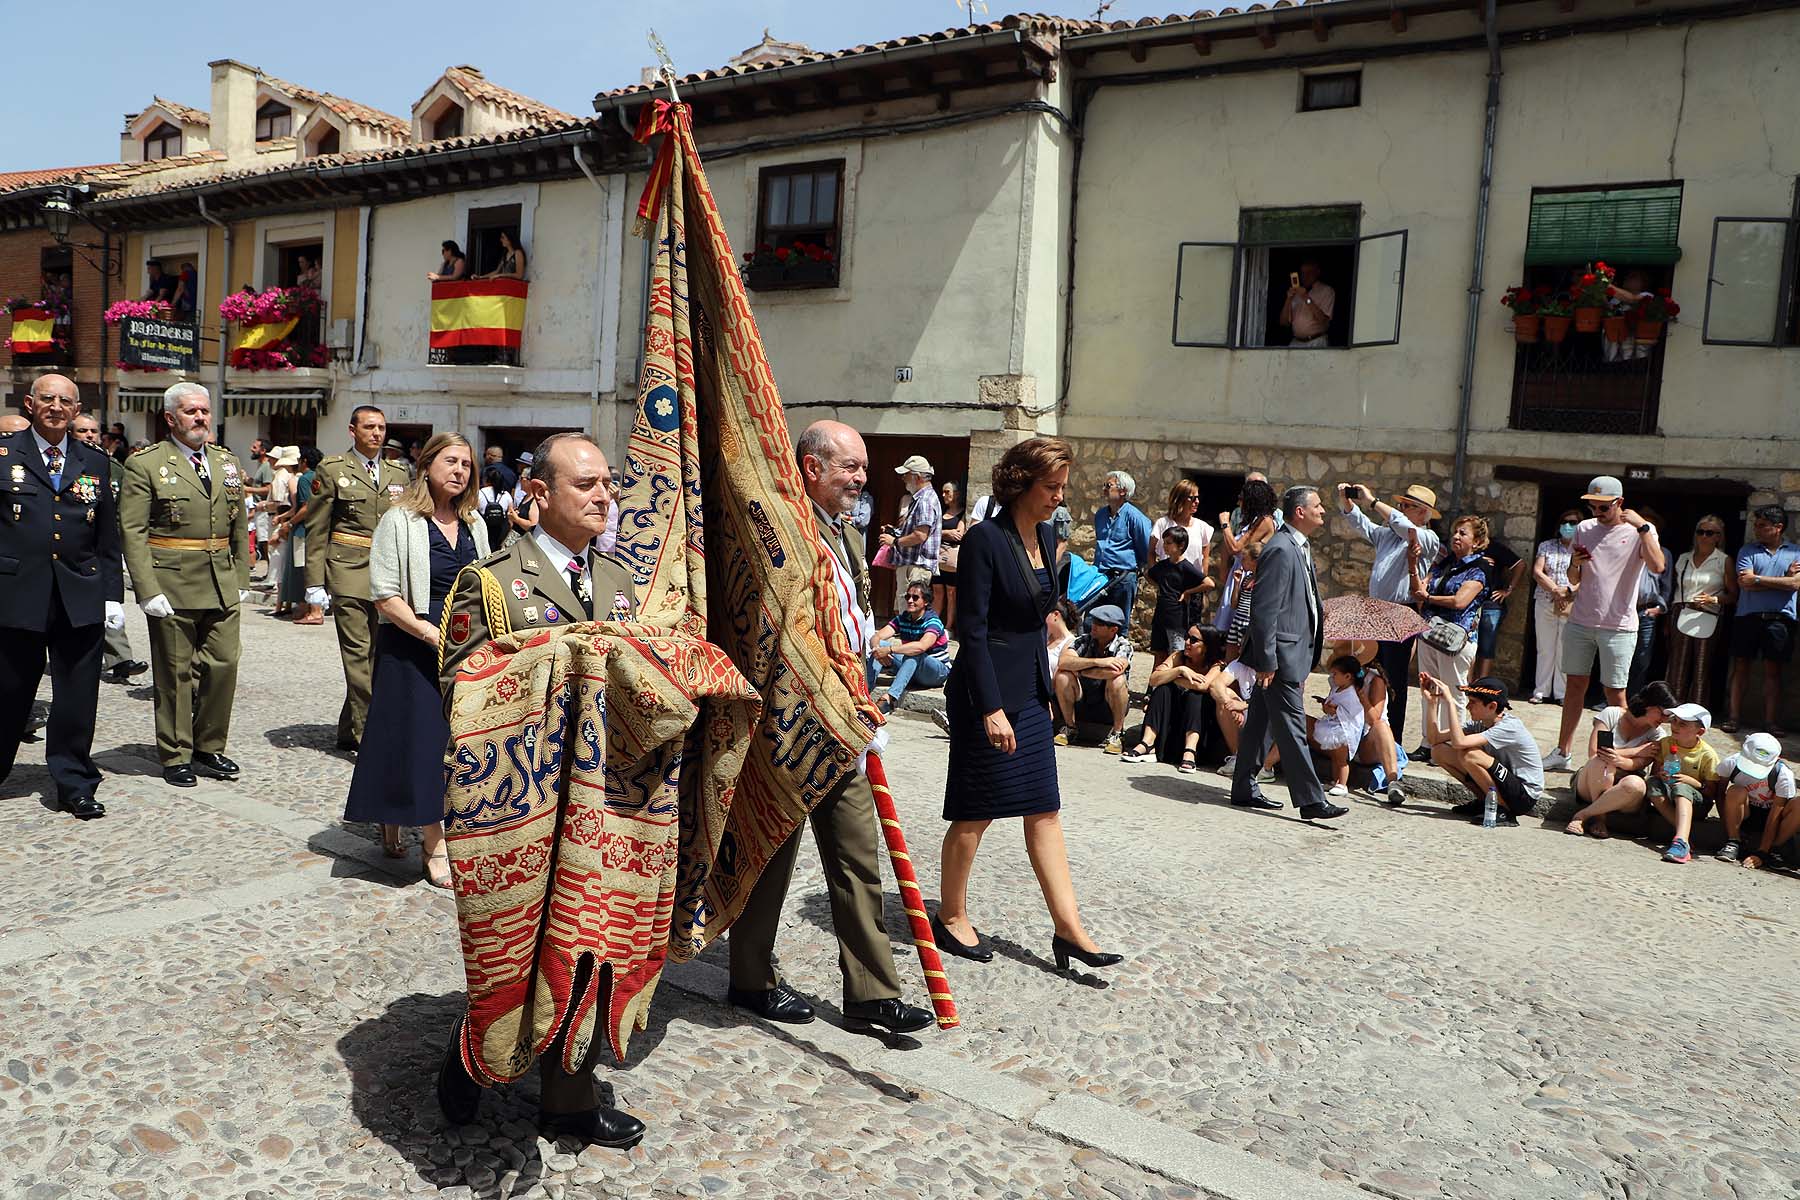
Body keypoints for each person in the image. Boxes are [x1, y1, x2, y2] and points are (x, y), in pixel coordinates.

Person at [432, 431, 642, 1148]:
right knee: (518, 948)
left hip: (602, 808)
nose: (603, 496)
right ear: (539, 493)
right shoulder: (491, 583)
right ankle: (473, 1054)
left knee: (586, 945)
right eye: (586, 484)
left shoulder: (620, 583)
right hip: (524, 808)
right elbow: (458, 689)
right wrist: (558, 664)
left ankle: (569, 1101)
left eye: (607, 483)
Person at [723, 421, 933, 1034]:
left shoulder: (840, 530)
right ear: (812, 468)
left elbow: (842, 610)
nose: (862, 479)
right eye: (851, 467)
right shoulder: (785, 529)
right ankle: (750, 978)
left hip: (845, 717)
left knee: (856, 854)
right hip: (793, 721)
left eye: (864, 468)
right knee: (771, 851)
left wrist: (874, 643)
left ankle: (871, 992)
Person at [935, 435, 1121, 975]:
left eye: (1062, 487)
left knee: (1044, 810)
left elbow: (1041, 620)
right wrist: (990, 708)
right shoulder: (983, 542)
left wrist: (1069, 662)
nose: (1060, 498)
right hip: (985, 693)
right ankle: (951, 914)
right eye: (1052, 487)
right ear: (1021, 483)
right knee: (977, 811)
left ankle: (1070, 929)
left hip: (1032, 693)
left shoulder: (1044, 535)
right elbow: (971, 632)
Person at [345, 434, 488, 887]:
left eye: (467, 463)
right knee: (423, 745)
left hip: (463, 650)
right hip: (412, 642)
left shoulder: (475, 523)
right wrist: (429, 632)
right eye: (451, 461)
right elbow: (384, 594)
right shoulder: (399, 520)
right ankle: (435, 843)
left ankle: (397, 818)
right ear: (426, 465)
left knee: (456, 744)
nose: (460, 470)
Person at [0, 375, 123, 820]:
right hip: (16, 593)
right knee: (9, 689)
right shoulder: (5, 453)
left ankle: (74, 781)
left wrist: (113, 597)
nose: (55, 406)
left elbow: (108, 536)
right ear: (30, 404)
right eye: (47, 399)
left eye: (65, 401)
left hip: (79, 592)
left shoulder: (95, 460)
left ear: (76, 410)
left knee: (77, 695)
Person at [118, 381, 250, 789]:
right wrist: (146, 589)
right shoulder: (146, 464)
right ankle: (176, 752)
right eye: (192, 412)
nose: (201, 419)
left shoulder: (226, 462)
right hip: (172, 581)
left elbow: (239, 524)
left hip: (220, 580)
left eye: (205, 412)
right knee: (175, 673)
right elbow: (132, 530)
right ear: (171, 418)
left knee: (223, 665)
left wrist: (242, 575)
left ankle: (209, 745)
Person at [1229, 485, 1347, 821]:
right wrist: (1267, 659)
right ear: (1300, 512)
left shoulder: (1298, 546)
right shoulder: (1281, 548)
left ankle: (1243, 787)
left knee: (1258, 723)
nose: (1323, 510)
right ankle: (1311, 800)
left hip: (1289, 651)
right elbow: (1265, 609)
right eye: (1318, 506)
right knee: (1293, 725)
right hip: (1280, 656)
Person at [304, 405, 412, 752]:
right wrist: (314, 581)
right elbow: (317, 527)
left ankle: (348, 730)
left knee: (379, 655)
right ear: (353, 430)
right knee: (357, 654)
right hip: (348, 569)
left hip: (389, 573)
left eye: (381, 427)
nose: (377, 433)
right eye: (369, 427)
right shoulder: (334, 469)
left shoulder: (398, 472)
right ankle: (371, 739)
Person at [1548, 477, 1665, 772]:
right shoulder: (1584, 529)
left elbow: (1658, 566)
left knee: (1615, 693)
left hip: (1619, 624)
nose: (1596, 512)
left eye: (1602, 507)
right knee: (1574, 686)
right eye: (1592, 506)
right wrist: (1575, 563)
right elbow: (1575, 578)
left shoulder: (1639, 532)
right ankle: (1562, 751)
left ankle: (1621, 756)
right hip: (1581, 620)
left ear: (1619, 503)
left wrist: (1644, 527)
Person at [1338, 481, 1442, 738]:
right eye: (1400, 505)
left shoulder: (1428, 538)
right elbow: (1362, 525)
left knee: (1394, 676)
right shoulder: (1389, 534)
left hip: (1401, 610)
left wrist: (1372, 501)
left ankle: (1392, 735)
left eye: (1406, 506)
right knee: (1372, 669)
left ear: (1422, 512)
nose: (1399, 509)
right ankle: (1372, 725)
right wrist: (1347, 502)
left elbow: (1405, 528)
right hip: (1378, 610)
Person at [71, 413, 149, 684]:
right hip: (75, 547)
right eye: (83, 430)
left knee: (109, 605)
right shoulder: (64, 465)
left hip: (105, 544)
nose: (90, 435)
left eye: (94, 430)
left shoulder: (112, 466)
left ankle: (121, 659)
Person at [1409, 515, 1488, 757]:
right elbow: (1420, 588)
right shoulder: (1444, 564)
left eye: (1463, 533)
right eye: (1455, 532)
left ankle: (1449, 745)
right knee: (1429, 690)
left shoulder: (1480, 569)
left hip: (1455, 640)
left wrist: (1429, 598)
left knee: (1453, 694)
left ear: (1476, 541)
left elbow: (1460, 601)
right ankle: (1427, 743)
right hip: (1430, 634)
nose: (1456, 536)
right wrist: (1412, 564)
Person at [1423, 675, 1545, 826]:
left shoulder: (1509, 727)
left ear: (1492, 707)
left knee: (1470, 754)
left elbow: (1459, 742)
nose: (1468, 707)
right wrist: (1432, 703)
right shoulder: (1480, 723)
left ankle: (1502, 810)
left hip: (1524, 795)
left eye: (1473, 703)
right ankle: (1485, 801)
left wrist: (1450, 702)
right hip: (1505, 785)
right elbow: (1434, 739)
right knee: (1438, 751)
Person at [1725, 505, 1800, 735]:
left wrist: (1757, 579)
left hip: (1781, 619)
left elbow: (1795, 584)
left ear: (1778, 528)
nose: (1756, 530)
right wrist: (1781, 580)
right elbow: (1744, 583)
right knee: (1741, 666)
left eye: (1762, 526)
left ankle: (1770, 722)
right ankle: (1733, 717)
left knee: (1773, 671)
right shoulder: (1748, 550)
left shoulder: (1796, 552)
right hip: (1748, 616)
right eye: (1756, 525)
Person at [1563, 681, 1674, 837]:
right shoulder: (1612, 714)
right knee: (1602, 762)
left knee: (1637, 785)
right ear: (1649, 705)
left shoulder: (1657, 734)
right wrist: (1635, 751)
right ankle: (1599, 819)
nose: (1664, 719)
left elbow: (1639, 763)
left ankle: (1584, 815)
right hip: (1593, 778)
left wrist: (1618, 759)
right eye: (1663, 713)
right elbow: (1594, 753)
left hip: (1624, 788)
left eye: (1668, 716)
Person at [1122, 626, 1224, 773]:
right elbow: (1154, 679)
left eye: (1193, 640)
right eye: (1187, 637)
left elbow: (1203, 686)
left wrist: (1173, 678)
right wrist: (1179, 670)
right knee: (1162, 690)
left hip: (1199, 724)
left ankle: (1190, 751)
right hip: (1173, 720)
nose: (1187, 642)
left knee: (1196, 697)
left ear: (1207, 646)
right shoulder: (1179, 657)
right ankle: (1147, 743)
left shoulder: (1217, 664)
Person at [1666, 514, 1736, 707]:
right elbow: (1675, 588)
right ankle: (1673, 708)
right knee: (1677, 665)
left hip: (1708, 614)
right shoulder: (1684, 558)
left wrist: (1714, 599)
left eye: (1710, 533)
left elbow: (1733, 595)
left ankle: (1695, 711)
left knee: (1701, 667)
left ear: (1718, 537)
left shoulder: (1723, 560)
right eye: (1700, 532)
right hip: (1681, 611)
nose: (1704, 536)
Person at [1645, 703, 1721, 865]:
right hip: (1670, 796)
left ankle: (1680, 841)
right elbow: (1655, 773)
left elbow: (1710, 793)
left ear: (1699, 732)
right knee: (1651, 783)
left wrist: (1693, 783)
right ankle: (1685, 835)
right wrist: (1661, 775)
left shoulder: (1708, 755)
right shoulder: (1666, 743)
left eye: (1683, 724)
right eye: (1674, 721)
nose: (1675, 726)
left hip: (1696, 804)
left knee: (1681, 786)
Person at [1052, 604, 1133, 753]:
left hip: (1108, 705)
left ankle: (1117, 734)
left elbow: (1114, 672)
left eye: (1100, 624)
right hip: (1082, 699)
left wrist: (1080, 670)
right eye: (1094, 621)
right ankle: (1070, 727)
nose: (1093, 626)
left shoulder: (1123, 646)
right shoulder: (1083, 640)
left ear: (1113, 629)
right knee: (1063, 675)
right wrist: (1098, 662)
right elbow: (1063, 662)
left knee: (1118, 680)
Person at [1715, 733, 1799, 867]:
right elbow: (1719, 795)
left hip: (1771, 817)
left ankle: (1774, 848)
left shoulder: (1783, 775)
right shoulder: (1730, 763)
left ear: (1778, 759)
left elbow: (1775, 816)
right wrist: (1726, 824)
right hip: (1745, 813)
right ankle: (1733, 840)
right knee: (1735, 791)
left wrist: (1762, 852)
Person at [871, 581, 951, 715]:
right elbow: (877, 636)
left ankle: (890, 699)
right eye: (907, 597)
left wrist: (890, 650)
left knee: (913, 652)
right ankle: (865, 689)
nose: (910, 600)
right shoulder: (903, 618)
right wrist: (877, 650)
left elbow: (921, 646)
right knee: (880, 646)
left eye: (915, 598)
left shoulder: (933, 621)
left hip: (936, 672)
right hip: (912, 667)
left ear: (925, 601)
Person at [1529, 510, 1582, 704]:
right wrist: (1555, 591)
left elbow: (1587, 576)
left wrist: (1567, 591)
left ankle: (1562, 693)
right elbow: (1537, 571)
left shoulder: (1582, 549)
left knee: (1564, 648)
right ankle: (1541, 690)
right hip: (1546, 599)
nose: (1568, 526)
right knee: (1545, 647)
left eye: (1573, 522)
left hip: (1571, 603)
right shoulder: (1547, 545)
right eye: (1565, 522)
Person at [1214, 476, 1278, 636]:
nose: (1239, 503)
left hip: (1248, 579)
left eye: (1242, 499)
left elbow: (1236, 548)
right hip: (1237, 575)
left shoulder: (1265, 521)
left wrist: (1225, 524)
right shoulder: (1253, 521)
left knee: (1236, 629)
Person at [1092, 469, 1152, 629]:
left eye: (1108, 485)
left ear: (1123, 491)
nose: (1104, 489)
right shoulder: (1100, 515)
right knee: (1091, 622)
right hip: (1099, 576)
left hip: (1122, 579)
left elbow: (1146, 549)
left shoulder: (1135, 517)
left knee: (1117, 625)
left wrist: (1133, 570)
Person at [880, 454, 940, 614]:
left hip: (916, 565)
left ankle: (913, 638)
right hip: (913, 564)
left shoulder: (925, 500)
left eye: (906, 475)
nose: (903, 479)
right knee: (908, 610)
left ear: (917, 477)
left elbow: (920, 535)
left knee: (912, 611)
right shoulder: (922, 498)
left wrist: (894, 541)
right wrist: (896, 531)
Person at [1150, 478, 1214, 627]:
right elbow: (1151, 553)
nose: (1196, 502)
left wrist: (1201, 591)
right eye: (1192, 498)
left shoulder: (1202, 528)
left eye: (1198, 498)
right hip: (1170, 588)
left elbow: (1205, 558)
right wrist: (1157, 581)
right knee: (1164, 634)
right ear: (1180, 499)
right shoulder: (1163, 524)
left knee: (1189, 633)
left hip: (1193, 589)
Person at [1307, 654, 1370, 798]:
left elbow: (1354, 714)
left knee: (1341, 760)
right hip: (1333, 726)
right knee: (1335, 758)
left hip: (1344, 730)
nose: (1332, 677)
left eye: (1335, 674)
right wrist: (1326, 705)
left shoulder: (1352, 694)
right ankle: (1335, 781)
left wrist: (1335, 710)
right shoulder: (1337, 689)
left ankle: (1342, 783)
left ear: (1348, 676)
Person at [1144, 526, 1211, 657]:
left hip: (1176, 618)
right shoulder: (1162, 565)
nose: (1165, 546)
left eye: (1169, 543)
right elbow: (1148, 574)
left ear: (1181, 545)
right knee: (1159, 654)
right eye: (1164, 543)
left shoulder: (1186, 566)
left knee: (1176, 654)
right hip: (1160, 616)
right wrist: (1160, 586)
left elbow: (1208, 583)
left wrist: (1187, 592)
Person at [1626, 511, 1673, 698]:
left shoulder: (1664, 553)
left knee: (1641, 659)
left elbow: (1666, 585)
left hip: (1646, 612)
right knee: (1617, 657)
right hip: (1623, 610)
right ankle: (1609, 699)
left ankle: (1633, 699)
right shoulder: (1626, 548)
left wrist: (1660, 608)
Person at [1472, 531, 1525, 682]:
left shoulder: (1495, 548)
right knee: (1469, 645)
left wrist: (1508, 590)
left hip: (1490, 604)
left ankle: (1482, 683)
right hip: (1470, 602)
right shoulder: (1468, 549)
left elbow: (1520, 564)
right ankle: (1468, 682)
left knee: (1486, 645)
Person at [264, 446, 301, 616]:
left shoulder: (290, 479)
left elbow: (292, 506)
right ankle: (284, 604)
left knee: (279, 562)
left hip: (285, 520)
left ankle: (280, 605)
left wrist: (281, 519)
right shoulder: (295, 478)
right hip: (288, 521)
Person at [290, 448, 325, 625]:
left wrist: (289, 523)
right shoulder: (321, 476)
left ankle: (314, 611)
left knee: (306, 571)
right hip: (321, 529)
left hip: (304, 530)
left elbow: (305, 507)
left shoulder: (305, 479)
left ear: (304, 461)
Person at [1278, 260, 1335, 347]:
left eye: (1309, 272)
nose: (1305, 276)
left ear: (1317, 272)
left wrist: (1306, 297)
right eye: (1303, 273)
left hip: (1316, 341)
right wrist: (1288, 299)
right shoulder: (1296, 293)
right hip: (1296, 342)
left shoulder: (1326, 291)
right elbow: (1284, 322)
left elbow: (1323, 320)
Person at [933, 479, 964, 633]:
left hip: (952, 561)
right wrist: (946, 533)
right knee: (937, 591)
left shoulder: (963, 513)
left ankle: (948, 627)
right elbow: (931, 531)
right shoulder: (939, 512)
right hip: (937, 558)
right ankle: (934, 624)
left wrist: (941, 533)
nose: (943, 495)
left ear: (957, 494)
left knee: (952, 593)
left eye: (947, 492)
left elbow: (959, 534)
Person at [245, 439, 274, 566]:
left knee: (265, 541)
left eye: (255, 447)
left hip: (263, 508)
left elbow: (268, 489)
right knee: (263, 541)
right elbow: (258, 485)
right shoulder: (262, 466)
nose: (251, 449)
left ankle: (270, 571)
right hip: (258, 509)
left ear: (263, 451)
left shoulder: (266, 466)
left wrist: (247, 489)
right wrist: (247, 479)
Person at [476, 464, 515, 549]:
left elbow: (473, 512)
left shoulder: (480, 493)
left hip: (484, 529)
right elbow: (511, 518)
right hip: (500, 531)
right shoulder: (506, 495)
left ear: (486, 479)